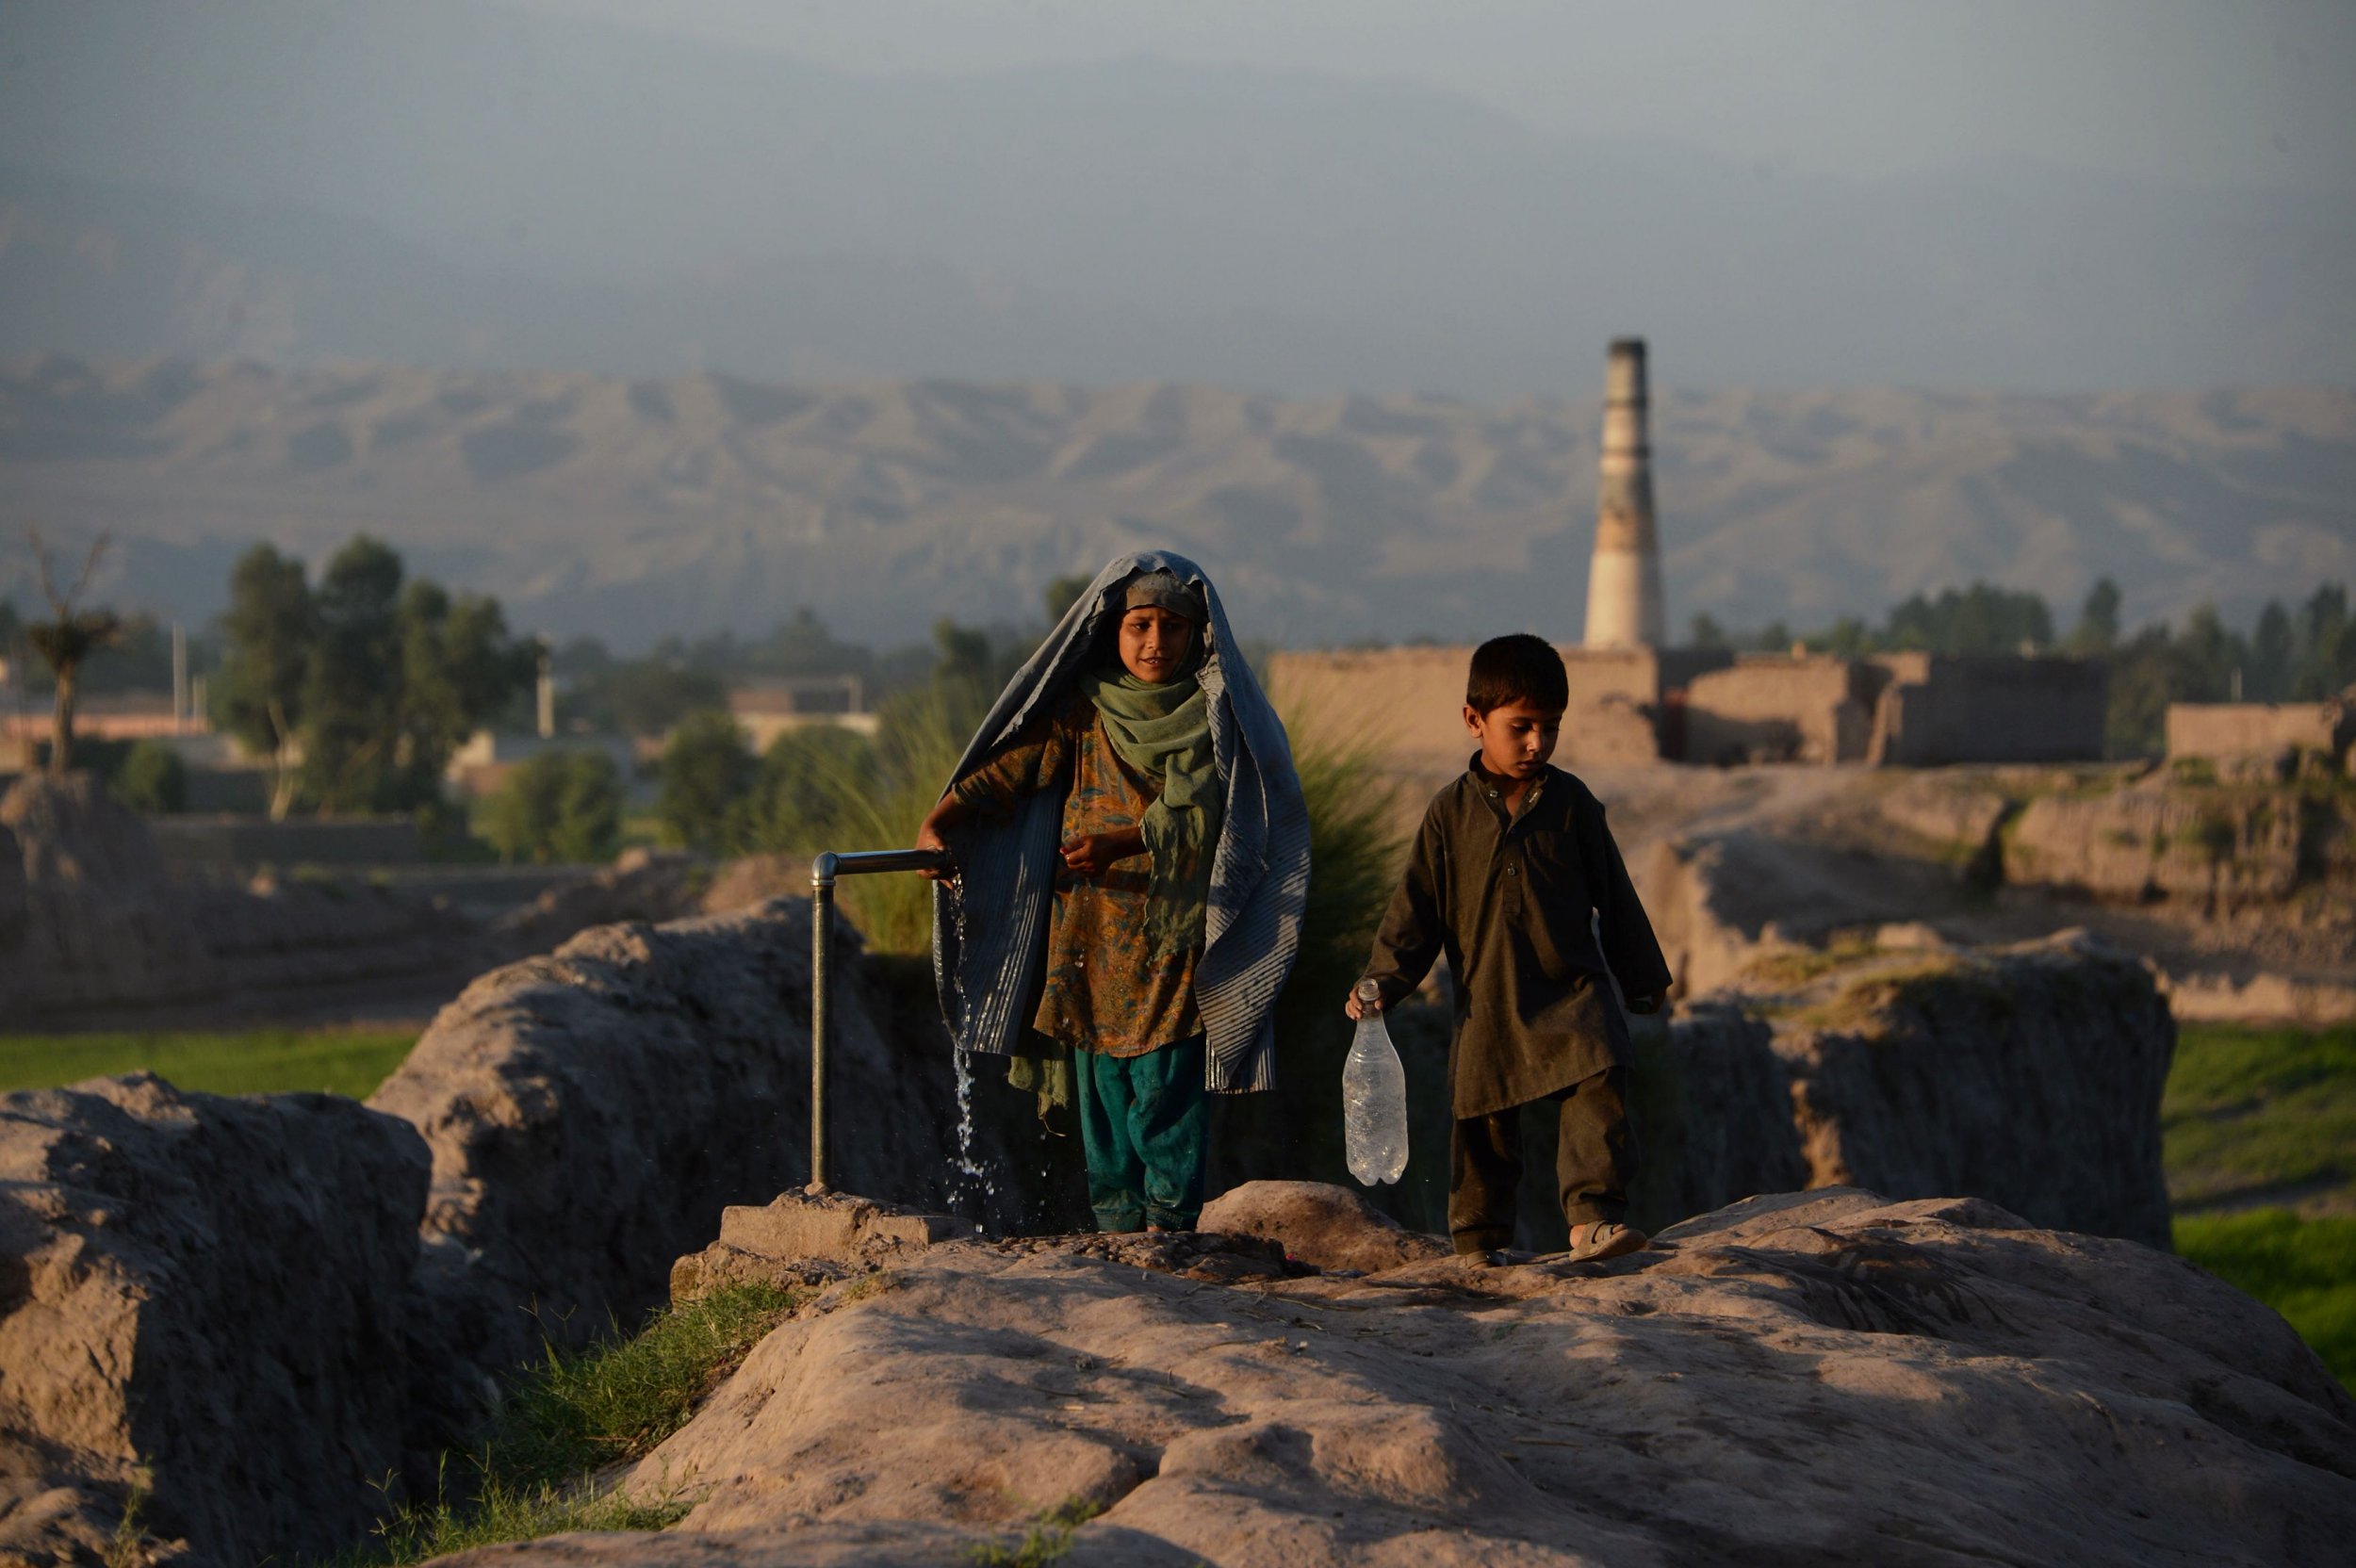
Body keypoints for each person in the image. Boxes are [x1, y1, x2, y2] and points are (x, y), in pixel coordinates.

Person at [918, 553, 1308, 1233]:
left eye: (1172, 627)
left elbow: (1215, 814)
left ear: (1197, 636)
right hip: (1087, 933)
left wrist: (1123, 842)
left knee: (1166, 1086)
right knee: (1101, 1090)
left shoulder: (1216, 717)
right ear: (1113, 632)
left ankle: (1169, 1222)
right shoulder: (1084, 712)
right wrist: (936, 822)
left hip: (1173, 937)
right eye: (1140, 626)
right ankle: (1117, 1226)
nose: (1155, 642)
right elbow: (1008, 770)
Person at [1349, 633, 1670, 1262]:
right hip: (1487, 999)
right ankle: (1477, 1242)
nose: (1537, 744)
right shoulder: (1449, 815)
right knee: (1481, 1123)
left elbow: (1617, 895)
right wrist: (1383, 979)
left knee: (1601, 1074)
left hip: (1572, 989)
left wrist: (1641, 978)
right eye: (1521, 727)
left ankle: (1592, 1222)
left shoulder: (1573, 805)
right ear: (1475, 721)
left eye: (1550, 729)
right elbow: (1415, 909)